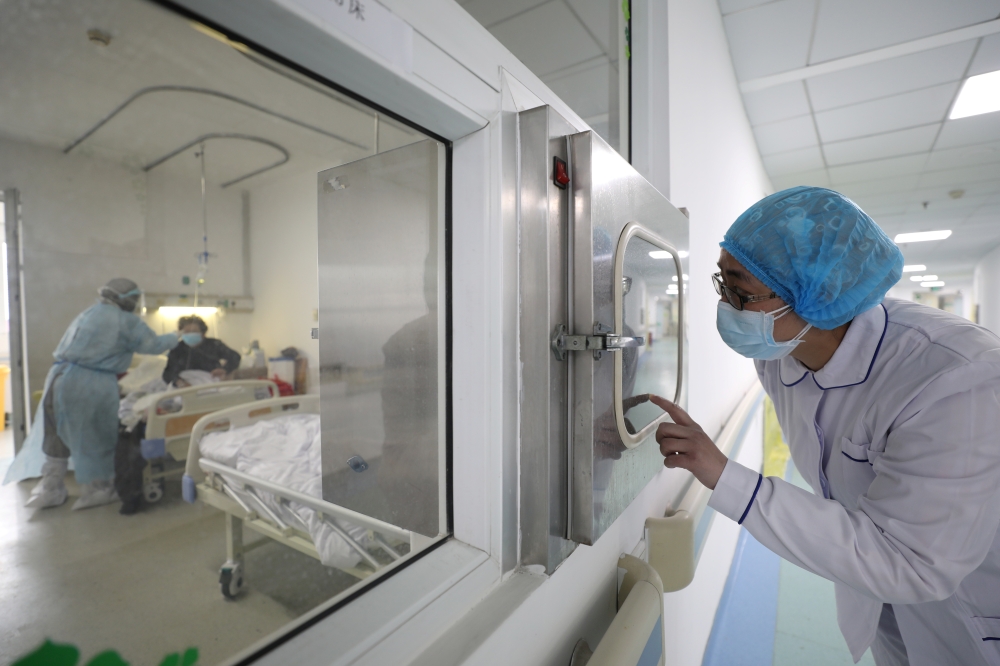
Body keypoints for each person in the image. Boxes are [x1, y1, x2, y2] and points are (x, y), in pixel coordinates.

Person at [651, 186, 1000, 666]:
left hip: (974, 609)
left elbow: (914, 563)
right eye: (722, 284)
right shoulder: (779, 353)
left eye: (742, 292)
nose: (726, 306)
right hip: (882, 604)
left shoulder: (955, 377)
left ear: (816, 295)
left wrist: (728, 478)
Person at [13, 278, 180, 510]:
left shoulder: (88, 314)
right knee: (95, 435)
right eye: (134, 297)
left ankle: (50, 488)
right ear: (128, 298)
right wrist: (175, 337)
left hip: (58, 378)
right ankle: (98, 489)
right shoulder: (125, 321)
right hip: (88, 384)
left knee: (55, 434)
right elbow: (152, 345)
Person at [161, 315, 240, 387]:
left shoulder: (214, 344)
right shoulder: (177, 348)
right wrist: (180, 383)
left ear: (203, 334)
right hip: (185, 384)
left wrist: (224, 369)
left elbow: (235, 356)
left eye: (194, 331)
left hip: (210, 381)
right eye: (186, 332)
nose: (190, 334)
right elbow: (168, 373)